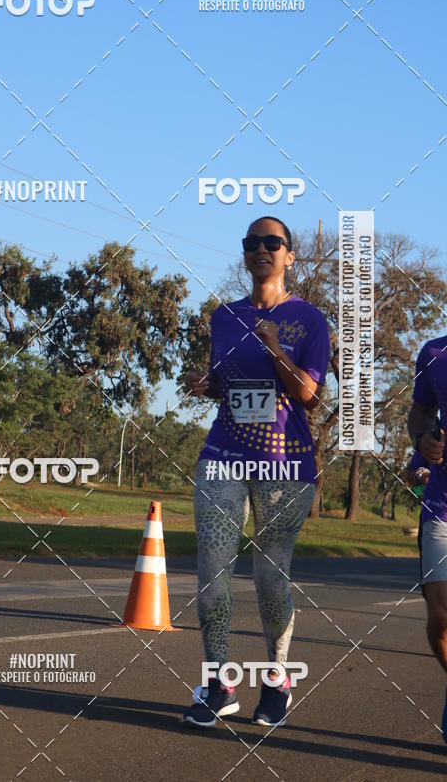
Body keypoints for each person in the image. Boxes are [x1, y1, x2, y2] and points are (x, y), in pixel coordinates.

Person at [182, 216, 330, 728]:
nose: (262, 249)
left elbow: (308, 394)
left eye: (273, 243)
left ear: (290, 256)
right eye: (252, 243)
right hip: (223, 453)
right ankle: (219, 683)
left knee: (270, 576)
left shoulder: (309, 320)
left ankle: (277, 679)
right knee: (211, 570)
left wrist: (273, 346)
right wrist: (209, 384)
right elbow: (230, 384)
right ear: (245, 255)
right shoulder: (223, 316)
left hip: (284, 462)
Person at [407, 339, 447, 743]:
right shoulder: (434, 354)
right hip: (442, 508)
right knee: (440, 618)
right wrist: (423, 441)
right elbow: (419, 414)